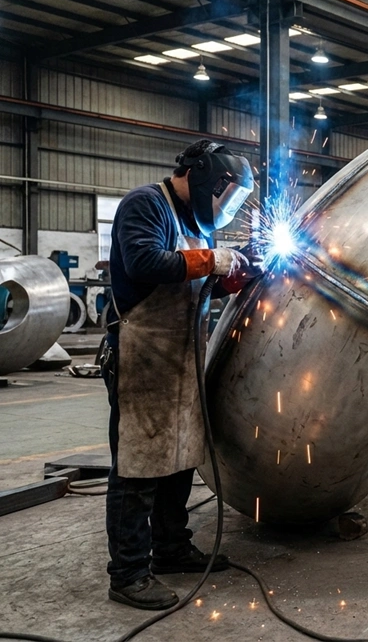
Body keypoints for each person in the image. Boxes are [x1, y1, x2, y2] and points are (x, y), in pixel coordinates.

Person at [100, 139, 256, 609]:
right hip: (142, 354)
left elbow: (202, 282)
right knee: (139, 467)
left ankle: (171, 548)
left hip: (181, 355)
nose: (225, 207)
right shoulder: (146, 204)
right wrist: (214, 259)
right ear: (206, 176)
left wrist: (238, 270)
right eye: (224, 196)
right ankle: (127, 574)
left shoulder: (196, 223)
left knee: (180, 456)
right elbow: (146, 263)